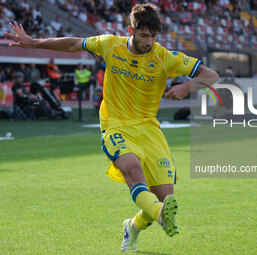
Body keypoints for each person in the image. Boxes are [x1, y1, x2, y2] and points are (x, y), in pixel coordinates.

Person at [5, 4, 218, 253]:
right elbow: (73, 44)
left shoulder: (165, 57)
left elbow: (210, 74)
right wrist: (34, 43)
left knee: (163, 198)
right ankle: (160, 213)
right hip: (115, 125)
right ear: (131, 30)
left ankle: (134, 226)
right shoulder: (110, 44)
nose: (149, 42)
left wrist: (186, 87)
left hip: (149, 129)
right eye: (144, 36)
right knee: (133, 170)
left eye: (154, 36)